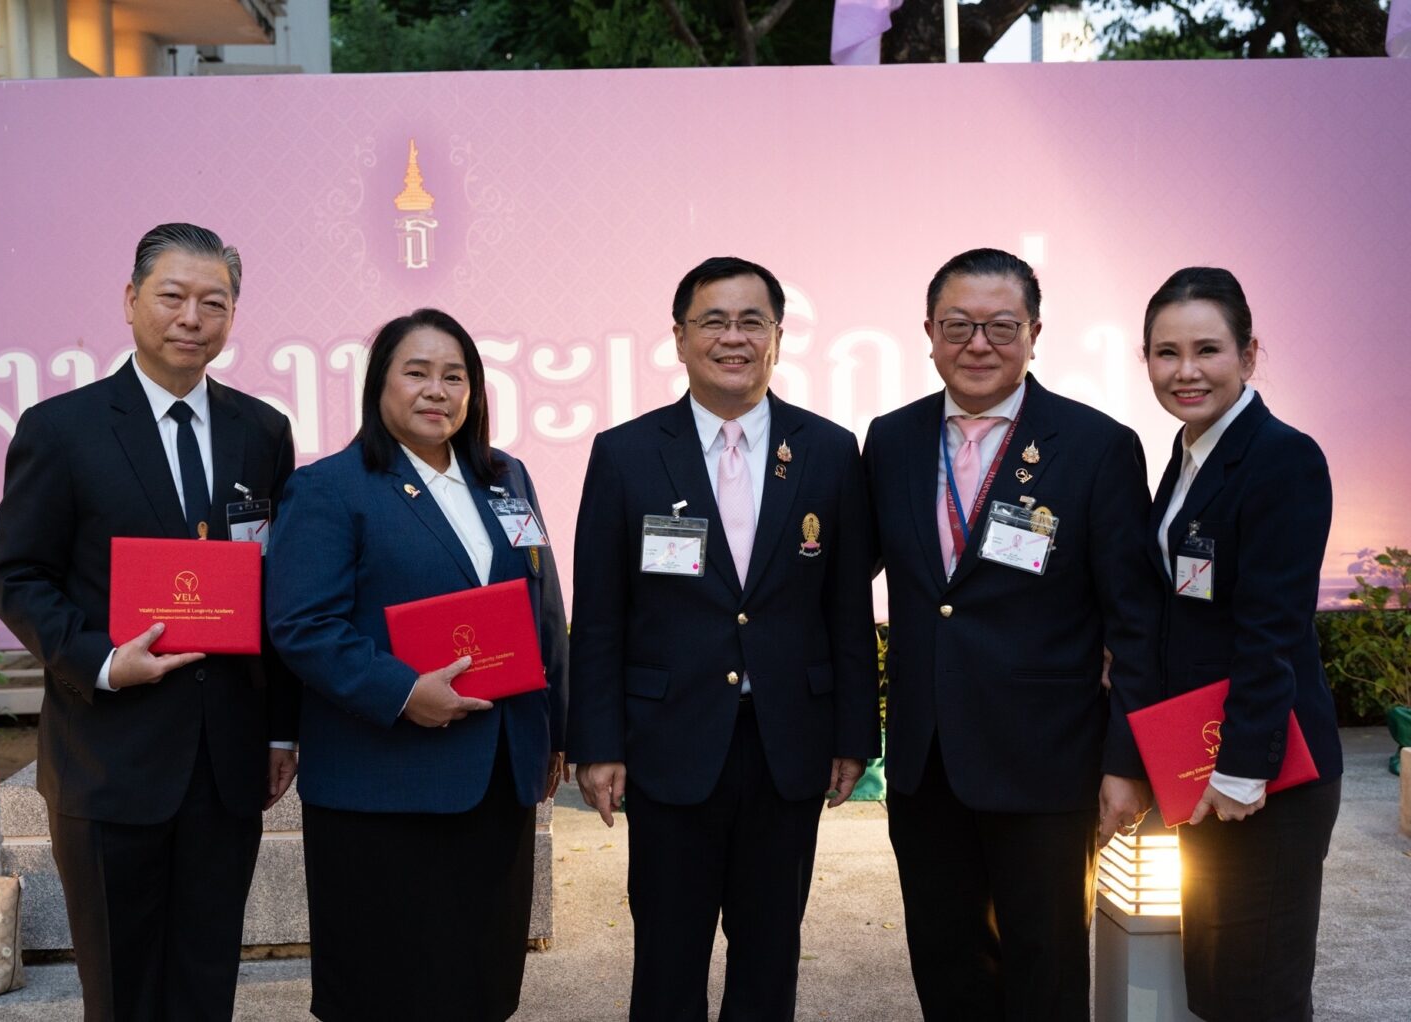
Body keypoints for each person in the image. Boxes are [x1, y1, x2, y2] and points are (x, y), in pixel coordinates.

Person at [0, 223, 300, 1021]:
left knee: (204, 986)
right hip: (109, 757)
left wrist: (279, 732)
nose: (192, 317)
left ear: (233, 316)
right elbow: (17, 576)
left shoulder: (261, 432)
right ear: (130, 302)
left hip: (226, 766)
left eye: (214, 302)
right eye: (173, 296)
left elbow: (278, 588)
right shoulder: (63, 430)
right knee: (123, 993)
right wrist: (101, 660)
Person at [567, 256, 879, 1022]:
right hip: (670, 742)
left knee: (771, 954)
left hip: (788, 745)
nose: (733, 339)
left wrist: (853, 734)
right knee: (668, 959)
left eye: (752, 322)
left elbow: (846, 607)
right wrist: (596, 743)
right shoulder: (627, 452)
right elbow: (601, 614)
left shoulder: (830, 451)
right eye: (714, 321)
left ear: (778, 336)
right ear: (678, 337)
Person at [863, 248, 1163, 1020]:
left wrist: (1127, 762)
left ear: (1035, 333)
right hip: (928, 768)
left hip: (1048, 766)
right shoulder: (890, 441)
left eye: (1001, 325)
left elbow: (1136, 619)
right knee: (946, 965)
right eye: (958, 325)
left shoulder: (1097, 446)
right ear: (928, 333)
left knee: (1048, 971)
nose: (978, 344)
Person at [265, 308, 568, 1022]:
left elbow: (545, 607)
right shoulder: (331, 487)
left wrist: (555, 731)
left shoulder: (506, 478)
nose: (438, 390)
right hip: (383, 785)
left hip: (497, 776)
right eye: (418, 372)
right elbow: (302, 625)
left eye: (455, 375)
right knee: (385, 989)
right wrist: (403, 692)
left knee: (480, 983)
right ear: (380, 385)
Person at [1141, 266, 1342, 1021]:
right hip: (1206, 759)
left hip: (1265, 774)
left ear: (1249, 355)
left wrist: (1241, 771)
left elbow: (1273, 630)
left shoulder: (1281, 457)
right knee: (1219, 979)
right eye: (1166, 352)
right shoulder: (1192, 449)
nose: (1185, 371)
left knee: (1259, 987)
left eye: (1207, 350)